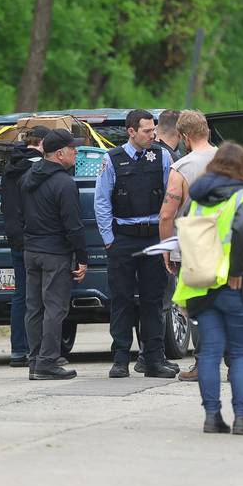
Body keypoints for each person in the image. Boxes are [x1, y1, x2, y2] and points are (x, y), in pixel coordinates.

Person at [172, 142, 243, 435]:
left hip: (201, 284)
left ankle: (212, 416)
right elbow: (240, 230)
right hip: (234, 285)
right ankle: (240, 419)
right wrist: (236, 270)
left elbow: (185, 238)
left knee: (209, 353)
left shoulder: (197, 198)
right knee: (240, 354)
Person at [94, 109, 177, 379]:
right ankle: (120, 359)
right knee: (121, 300)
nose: (152, 135)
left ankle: (153, 359)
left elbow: (170, 197)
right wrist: (110, 240)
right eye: (146, 131)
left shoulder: (162, 156)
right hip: (124, 239)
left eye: (153, 130)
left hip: (153, 238)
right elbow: (102, 201)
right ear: (131, 132)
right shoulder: (112, 159)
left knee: (153, 300)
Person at [20, 129, 88, 381]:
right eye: (73, 149)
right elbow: (73, 225)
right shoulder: (65, 184)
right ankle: (48, 361)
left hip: (31, 250)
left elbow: (19, 214)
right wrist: (82, 257)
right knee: (55, 308)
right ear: (60, 154)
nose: (76, 153)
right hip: (55, 252)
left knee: (34, 307)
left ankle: (35, 360)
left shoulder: (28, 178)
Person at [157, 110, 217, 381]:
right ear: (207, 130)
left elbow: (168, 214)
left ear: (183, 136)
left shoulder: (181, 168)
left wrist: (167, 249)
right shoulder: (230, 161)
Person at [1, 125, 49, 367]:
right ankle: (39, 350)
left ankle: (18, 349)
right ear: (43, 143)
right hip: (37, 238)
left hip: (15, 238)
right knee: (42, 296)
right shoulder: (39, 168)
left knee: (21, 294)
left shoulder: (10, 167)